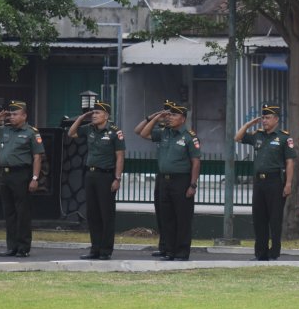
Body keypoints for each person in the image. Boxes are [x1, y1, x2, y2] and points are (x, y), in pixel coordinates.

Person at [138, 103, 201, 261]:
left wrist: (193, 184)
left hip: (181, 181)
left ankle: (181, 252)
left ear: (183, 119)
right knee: (167, 218)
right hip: (165, 181)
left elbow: (196, 162)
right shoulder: (165, 133)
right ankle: (170, 251)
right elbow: (143, 133)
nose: (171, 118)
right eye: (170, 115)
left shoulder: (189, 136)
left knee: (182, 218)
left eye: (174, 115)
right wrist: (156, 118)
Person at [235, 103, 296, 261]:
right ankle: (260, 253)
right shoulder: (258, 135)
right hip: (259, 182)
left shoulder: (284, 137)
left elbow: (290, 162)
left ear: (276, 119)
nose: (264, 120)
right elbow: (238, 137)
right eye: (263, 117)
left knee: (274, 219)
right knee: (259, 218)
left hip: (275, 181)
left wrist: (288, 184)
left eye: (268, 118)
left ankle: (274, 252)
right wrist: (249, 124)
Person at [68, 101, 126, 260]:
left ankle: (105, 250)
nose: (94, 115)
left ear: (106, 116)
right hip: (90, 174)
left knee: (106, 214)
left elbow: (120, 156)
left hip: (106, 176)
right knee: (92, 214)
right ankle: (95, 249)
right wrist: (81, 118)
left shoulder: (115, 132)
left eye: (97, 113)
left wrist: (117, 178)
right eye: (93, 113)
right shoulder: (89, 129)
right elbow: (71, 133)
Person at [0, 100, 44, 258]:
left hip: (22, 174)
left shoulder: (31, 132)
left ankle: (23, 247)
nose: (11, 117)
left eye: (15, 114)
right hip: (5, 175)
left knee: (23, 213)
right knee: (9, 213)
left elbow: (37, 157)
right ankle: (11, 246)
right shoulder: (4, 130)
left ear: (24, 115)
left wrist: (35, 178)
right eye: (10, 114)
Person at [135, 99, 175, 257]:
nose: (166, 116)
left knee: (170, 214)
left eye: (169, 113)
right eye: (164, 113)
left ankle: (170, 246)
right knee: (160, 212)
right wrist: (152, 118)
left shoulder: (173, 132)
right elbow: (138, 131)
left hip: (173, 176)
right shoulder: (160, 130)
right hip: (161, 175)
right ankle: (163, 246)